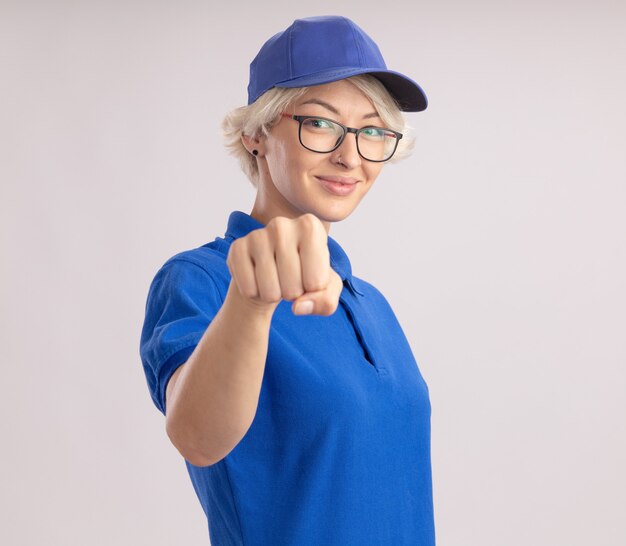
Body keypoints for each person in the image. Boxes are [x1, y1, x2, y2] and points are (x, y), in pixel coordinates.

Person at [139, 15, 435, 546]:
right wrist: (250, 305)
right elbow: (197, 438)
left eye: (372, 130)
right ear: (256, 134)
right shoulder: (202, 280)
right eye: (320, 123)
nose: (350, 156)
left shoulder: (370, 302)